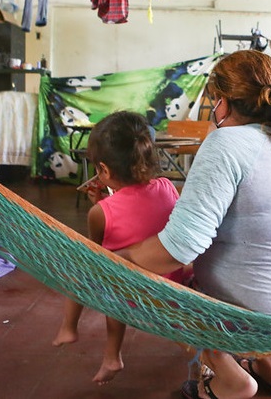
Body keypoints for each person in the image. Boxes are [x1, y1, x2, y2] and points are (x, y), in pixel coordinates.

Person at [117, 50, 271, 399]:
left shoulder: (225, 143)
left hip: (264, 313)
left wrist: (120, 262)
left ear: (221, 103)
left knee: (169, 291)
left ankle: (227, 380)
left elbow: (179, 248)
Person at [51, 110, 185, 385]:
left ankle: (71, 328)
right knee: (119, 272)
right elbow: (144, 214)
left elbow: (97, 250)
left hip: (133, 292)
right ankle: (110, 357)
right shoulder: (167, 186)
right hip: (173, 279)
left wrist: (100, 207)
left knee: (91, 267)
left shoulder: (100, 212)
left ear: (104, 171)